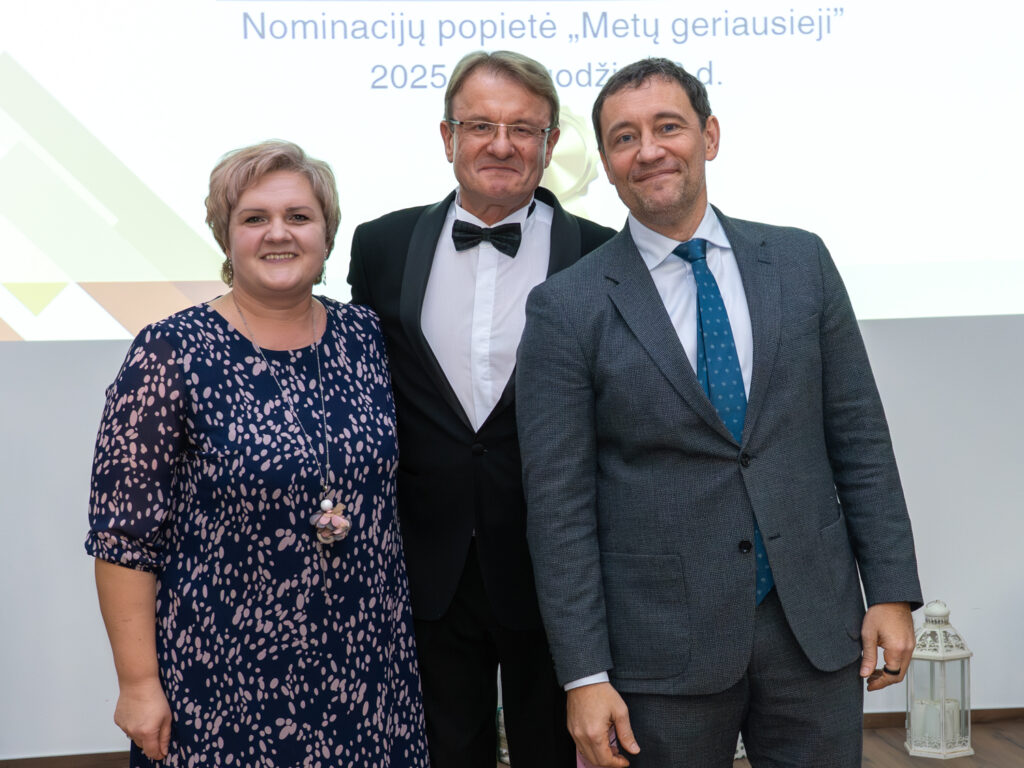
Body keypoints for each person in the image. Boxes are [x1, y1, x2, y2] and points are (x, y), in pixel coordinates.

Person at [516, 58, 923, 768]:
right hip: (660, 650)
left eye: (667, 127)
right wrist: (584, 675)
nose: (649, 150)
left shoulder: (800, 262)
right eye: (624, 138)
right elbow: (559, 509)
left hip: (814, 627)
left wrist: (890, 590)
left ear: (709, 135)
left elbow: (858, 435)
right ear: (606, 164)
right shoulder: (567, 307)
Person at [86, 140, 429, 767]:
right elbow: (123, 538)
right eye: (254, 218)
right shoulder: (170, 351)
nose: (279, 233)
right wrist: (137, 685)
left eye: (299, 216)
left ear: (327, 234)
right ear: (226, 235)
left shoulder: (366, 336)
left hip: (366, 673)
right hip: (221, 680)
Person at [348, 51, 615, 768]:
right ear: (448, 137)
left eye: (524, 129)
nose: (502, 144)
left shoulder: (603, 255)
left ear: (550, 145)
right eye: (481, 126)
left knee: (555, 752)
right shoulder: (380, 245)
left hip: (555, 567)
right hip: (426, 562)